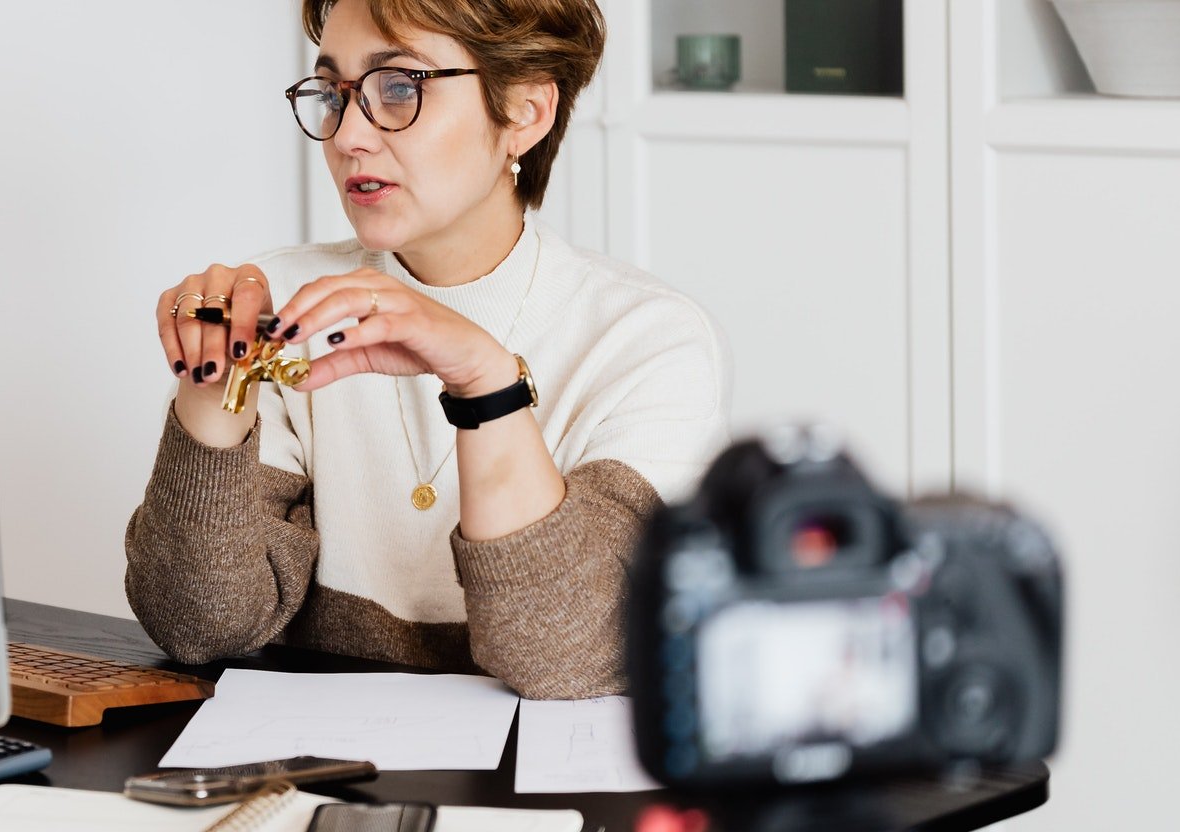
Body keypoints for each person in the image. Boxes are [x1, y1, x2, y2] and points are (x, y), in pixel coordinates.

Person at [125, 0, 730, 699]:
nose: (349, 135)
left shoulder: (644, 340)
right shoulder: (285, 305)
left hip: (535, 796)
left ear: (525, 113)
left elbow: (570, 657)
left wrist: (484, 382)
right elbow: (198, 627)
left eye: (399, 88)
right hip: (324, 778)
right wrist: (211, 392)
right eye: (333, 93)